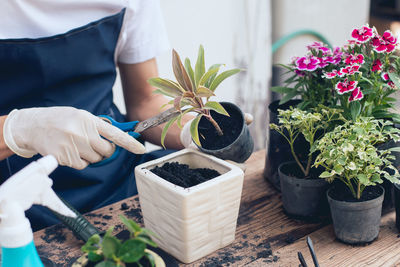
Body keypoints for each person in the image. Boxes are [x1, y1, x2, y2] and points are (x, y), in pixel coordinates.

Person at [0, 0, 185, 230]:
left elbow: (145, 100)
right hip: (12, 202)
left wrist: (191, 129)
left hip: (115, 179)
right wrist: (20, 130)